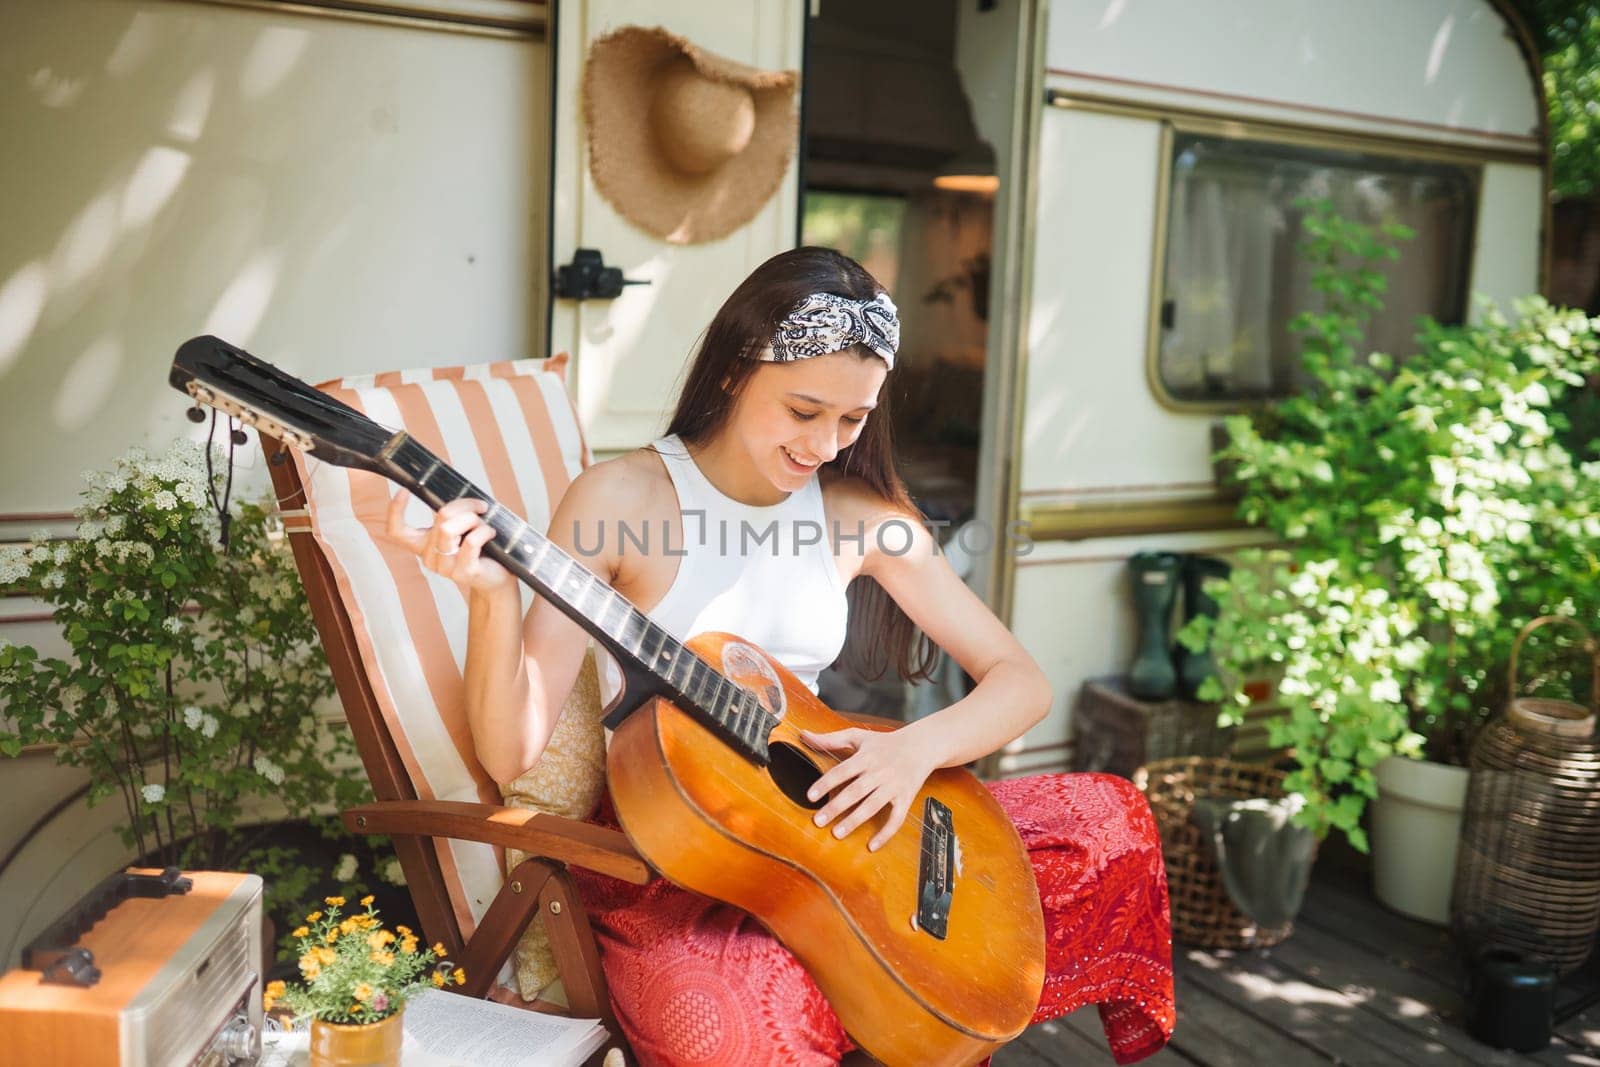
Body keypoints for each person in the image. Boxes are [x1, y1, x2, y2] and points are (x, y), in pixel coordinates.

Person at [386, 247, 1175, 1065]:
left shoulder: (860, 513)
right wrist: (489, 596)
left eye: (852, 419)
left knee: (1108, 822)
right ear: (733, 370)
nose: (825, 444)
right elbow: (511, 748)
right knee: (748, 1018)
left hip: (837, 828)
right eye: (803, 410)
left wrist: (911, 752)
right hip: (680, 861)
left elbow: (1022, 680)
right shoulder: (621, 500)